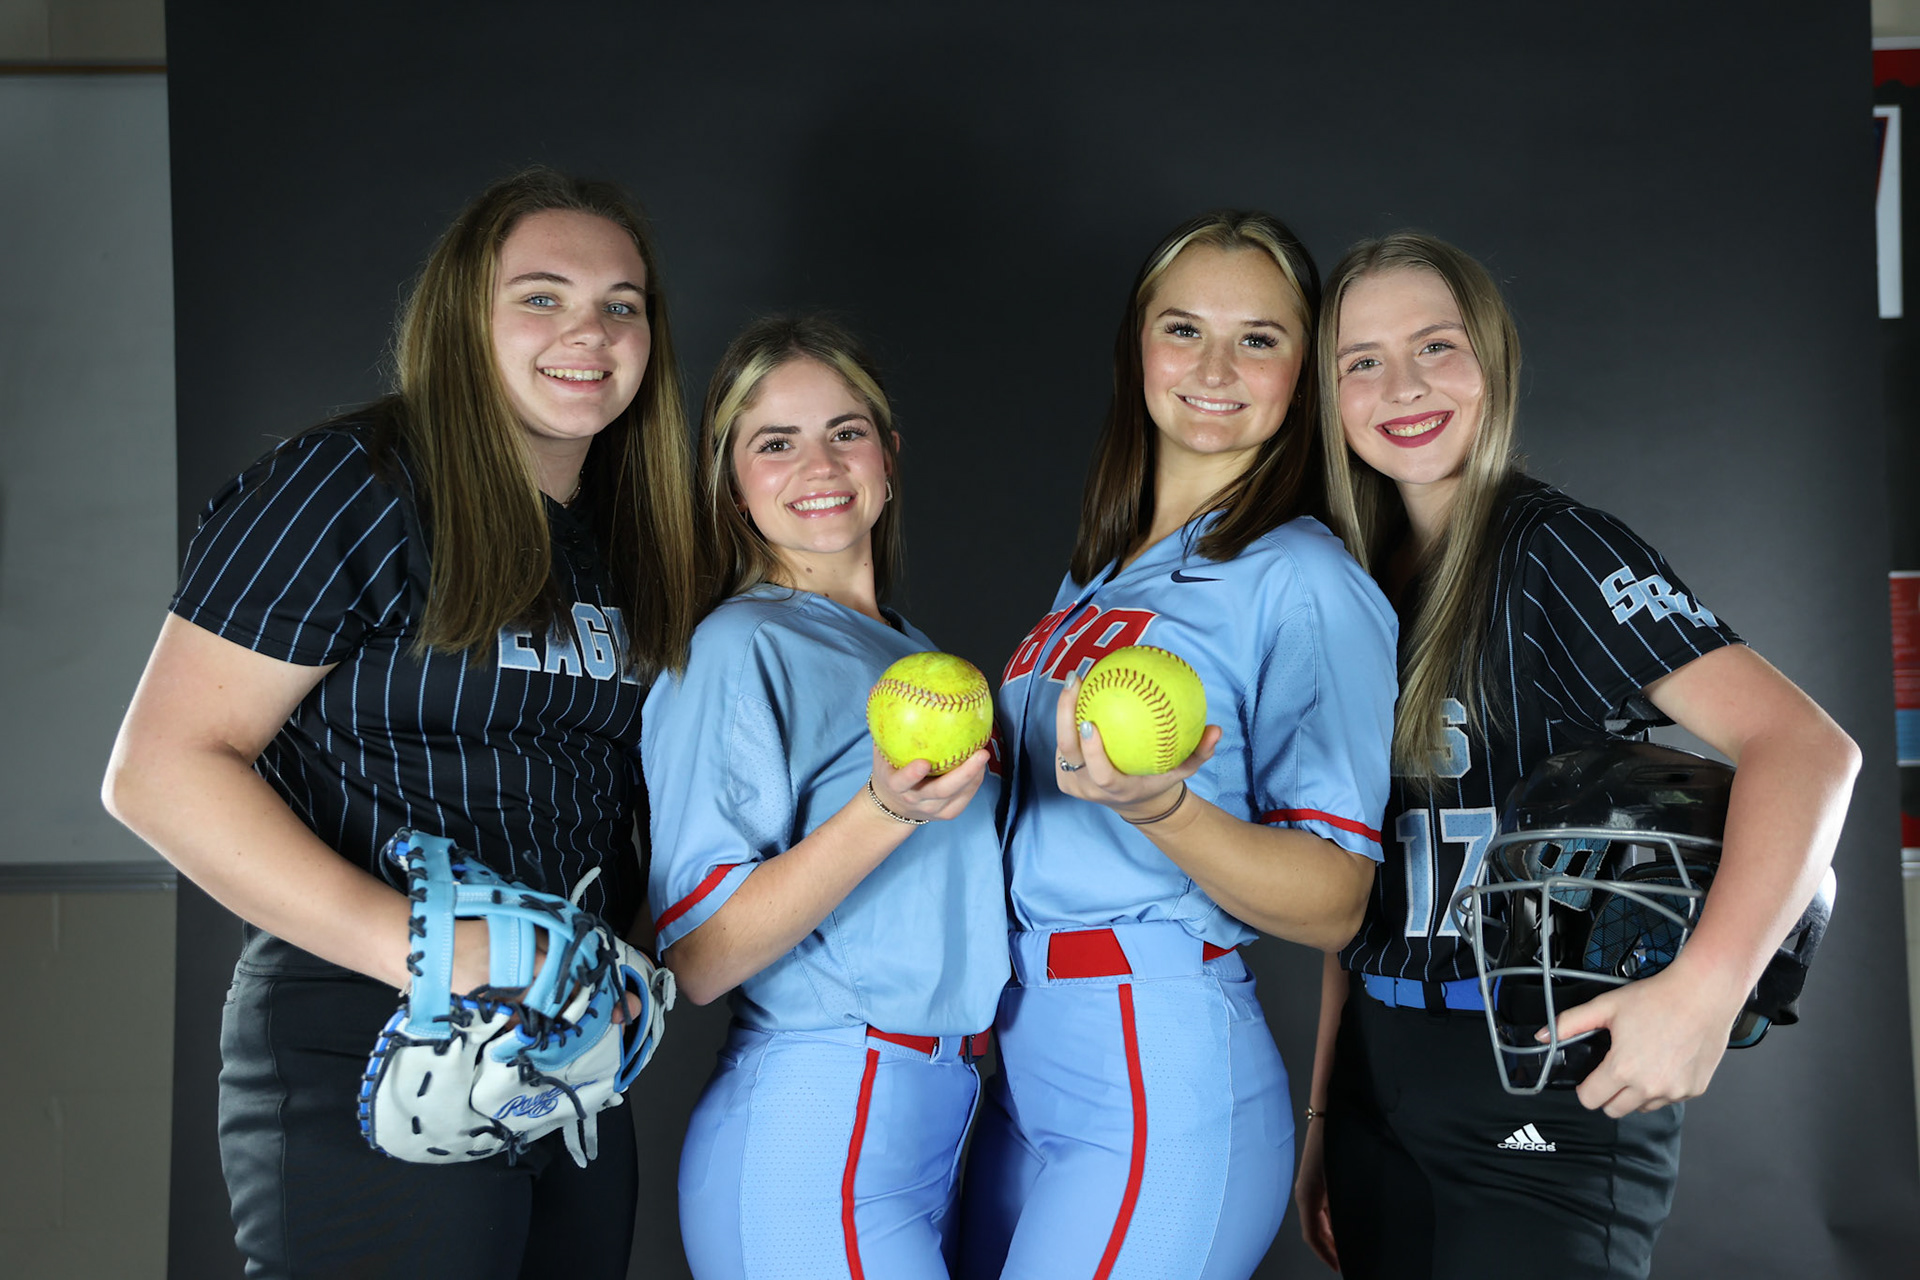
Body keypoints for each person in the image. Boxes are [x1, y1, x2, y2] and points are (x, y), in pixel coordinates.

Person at [100, 168, 702, 1279]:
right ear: (463, 320)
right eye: (542, 296)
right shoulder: (353, 483)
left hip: (563, 1051)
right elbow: (163, 768)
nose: (590, 332)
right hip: (370, 1036)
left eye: (623, 304)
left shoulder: (624, 535)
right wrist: (427, 952)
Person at [1293, 231, 1860, 1280]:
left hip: (1535, 1073)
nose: (1402, 385)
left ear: (1494, 363)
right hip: (1384, 1069)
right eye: (1359, 360)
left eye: (1436, 345)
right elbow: (1353, 881)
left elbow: (1808, 747)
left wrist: (1704, 989)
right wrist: (1326, 1105)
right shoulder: (1349, 582)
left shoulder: (1552, 545)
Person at [960, 211, 1399, 1280]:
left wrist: (1165, 808)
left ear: (1305, 370)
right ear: (1137, 348)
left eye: (1259, 337)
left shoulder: (1306, 578)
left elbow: (1341, 896)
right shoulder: (1102, 571)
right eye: (1183, 328)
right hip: (1023, 1047)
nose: (1215, 367)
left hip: (1153, 1050)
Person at [644, 315, 1007, 1280]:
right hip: (820, 1116)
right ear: (732, 482)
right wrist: (884, 812)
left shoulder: (913, 653)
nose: (820, 463)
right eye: (775, 442)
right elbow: (702, 957)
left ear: (888, 456)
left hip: (938, 1111)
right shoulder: (734, 650)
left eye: (846, 431)